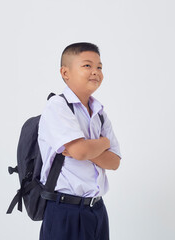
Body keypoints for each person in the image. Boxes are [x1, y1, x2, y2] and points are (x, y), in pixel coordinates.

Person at [38, 42, 122, 240]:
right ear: (65, 72)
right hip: (64, 211)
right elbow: (80, 152)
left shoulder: (100, 113)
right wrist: (103, 144)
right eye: (87, 66)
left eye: (99, 67)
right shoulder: (57, 106)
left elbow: (115, 162)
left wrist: (86, 149)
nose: (95, 72)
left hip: (97, 210)